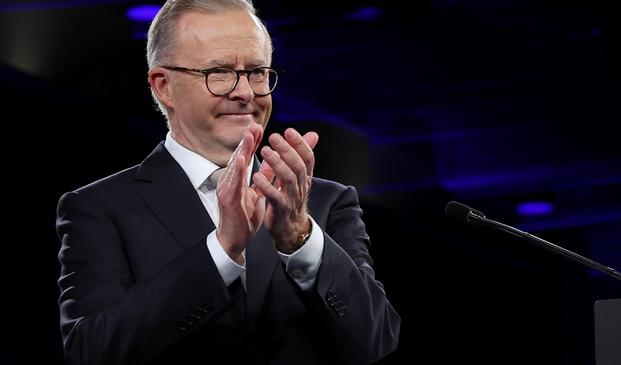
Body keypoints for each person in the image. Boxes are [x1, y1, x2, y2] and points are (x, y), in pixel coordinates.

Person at [55, 0, 400, 364]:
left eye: (256, 72)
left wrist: (300, 240)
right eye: (219, 72)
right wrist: (222, 250)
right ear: (163, 87)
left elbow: (376, 341)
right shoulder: (99, 208)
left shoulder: (327, 203)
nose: (246, 92)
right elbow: (90, 352)